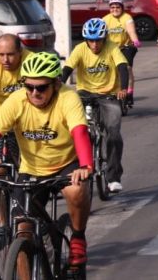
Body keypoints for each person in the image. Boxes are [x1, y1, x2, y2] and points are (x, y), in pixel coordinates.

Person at [0, 52, 93, 267]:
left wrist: (85, 165)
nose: (34, 93)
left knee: (76, 190)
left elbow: (79, 132)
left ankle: (77, 236)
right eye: (29, 87)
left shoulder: (68, 97)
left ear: (56, 84)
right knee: (23, 232)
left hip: (66, 164)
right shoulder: (17, 100)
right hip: (31, 169)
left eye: (41, 87)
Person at [62, 18, 128, 193]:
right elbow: (67, 69)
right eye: (90, 40)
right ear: (85, 40)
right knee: (73, 132)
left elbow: (122, 66)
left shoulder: (112, 47)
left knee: (113, 135)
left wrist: (123, 88)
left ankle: (113, 177)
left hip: (108, 95)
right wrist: (58, 88)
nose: (94, 44)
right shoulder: (80, 49)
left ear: (104, 38)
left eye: (98, 40)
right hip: (84, 95)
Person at [0, 34, 32, 165]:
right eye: (1, 54)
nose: (5, 60)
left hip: (24, 113)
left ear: (20, 51)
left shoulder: (30, 61)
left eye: (10, 54)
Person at [102, 0, 141, 107]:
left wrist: (135, 40)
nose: (115, 9)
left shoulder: (127, 18)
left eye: (117, 7)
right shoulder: (105, 19)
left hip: (126, 47)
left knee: (127, 67)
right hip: (111, 48)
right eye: (112, 7)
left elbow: (131, 30)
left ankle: (129, 92)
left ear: (122, 8)